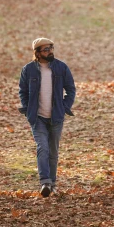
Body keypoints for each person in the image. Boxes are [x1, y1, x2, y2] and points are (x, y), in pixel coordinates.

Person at [19, 37, 76, 197]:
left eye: (51, 48)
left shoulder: (61, 68)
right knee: (42, 147)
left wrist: (64, 107)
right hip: (37, 117)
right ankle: (45, 182)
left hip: (56, 116)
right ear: (37, 53)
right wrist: (27, 109)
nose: (50, 51)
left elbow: (71, 90)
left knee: (53, 151)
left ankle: (52, 183)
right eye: (46, 49)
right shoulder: (28, 70)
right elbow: (22, 91)